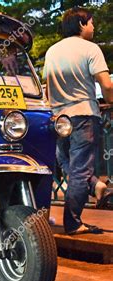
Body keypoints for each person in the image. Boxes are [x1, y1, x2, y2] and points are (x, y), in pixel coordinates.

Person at [43, 7, 113, 235]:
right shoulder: (90, 49)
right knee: (81, 169)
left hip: (58, 119)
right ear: (82, 24)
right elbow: (107, 85)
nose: (94, 28)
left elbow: (47, 87)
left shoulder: (52, 51)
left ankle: (97, 186)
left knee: (67, 164)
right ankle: (73, 223)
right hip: (84, 115)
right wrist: (110, 100)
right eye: (91, 23)